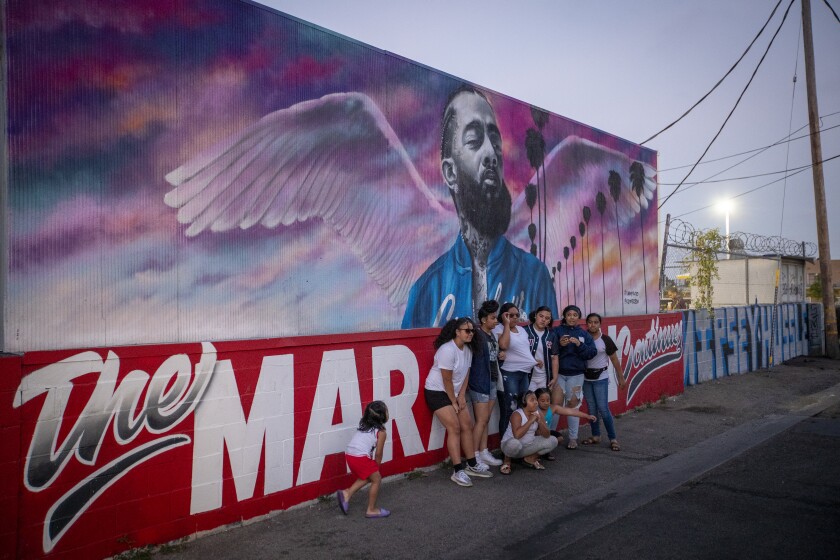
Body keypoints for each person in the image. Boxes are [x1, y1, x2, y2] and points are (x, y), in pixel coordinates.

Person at [402, 86, 557, 328]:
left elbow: (548, 347)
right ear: (450, 172)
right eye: (474, 141)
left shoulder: (534, 276)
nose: (491, 153)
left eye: (495, 141)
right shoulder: (426, 291)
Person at [424, 317, 493, 487]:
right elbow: (446, 379)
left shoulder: (468, 349)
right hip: (437, 391)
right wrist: (453, 401)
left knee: (467, 425)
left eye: (472, 331)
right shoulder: (447, 350)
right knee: (454, 427)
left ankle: (472, 464)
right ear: (457, 332)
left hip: (454, 392)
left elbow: (465, 374)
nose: (470, 334)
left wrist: (461, 396)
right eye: (466, 331)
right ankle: (457, 470)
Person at [499, 391, 596, 474]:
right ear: (524, 403)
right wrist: (530, 421)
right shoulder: (517, 414)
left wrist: (541, 422)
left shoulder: (538, 413)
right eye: (532, 400)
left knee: (553, 440)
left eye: (536, 400)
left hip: (526, 447)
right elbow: (517, 435)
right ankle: (507, 461)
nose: (536, 402)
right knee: (514, 443)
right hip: (510, 446)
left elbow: (546, 435)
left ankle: (530, 458)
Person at [551, 305, 597, 450]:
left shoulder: (583, 334)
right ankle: (551, 436)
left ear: (578, 317)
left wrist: (579, 345)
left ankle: (573, 438)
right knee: (555, 406)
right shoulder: (556, 331)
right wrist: (559, 344)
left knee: (573, 405)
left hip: (576, 375)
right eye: (569, 314)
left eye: (575, 315)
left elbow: (591, 353)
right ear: (564, 316)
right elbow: (548, 350)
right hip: (558, 375)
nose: (572, 317)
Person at [336, 401, 390, 518]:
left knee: (368, 476)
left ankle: (347, 494)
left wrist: (373, 470)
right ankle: (371, 510)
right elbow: (378, 454)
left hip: (350, 455)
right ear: (382, 416)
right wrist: (377, 467)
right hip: (359, 457)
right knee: (376, 479)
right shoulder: (381, 432)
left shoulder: (364, 427)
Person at [581, 313, 627, 451]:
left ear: (600, 324)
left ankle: (613, 438)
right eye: (590, 322)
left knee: (603, 409)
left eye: (596, 322)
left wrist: (621, 377)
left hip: (601, 377)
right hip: (585, 378)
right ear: (586, 324)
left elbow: (614, 359)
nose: (593, 325)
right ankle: (596, 436)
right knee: (591, 409)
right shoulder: (582, 338)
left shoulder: (605, 339)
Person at [493, 302, 537, 443]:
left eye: (517, 315)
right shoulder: (499, 328)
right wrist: (506, 324)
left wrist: (534, 361)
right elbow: (504, 345)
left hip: (524, 374)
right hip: (509, 373)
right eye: (510, 315)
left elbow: (524, 351)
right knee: (509, 410)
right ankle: (506, 446)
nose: (515, 318)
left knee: (522, 409)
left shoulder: (522, 330)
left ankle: (520, 443)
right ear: (503, 316)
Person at [469, 300, 504, 467]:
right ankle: (473, 456)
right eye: (493, 318)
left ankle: (483, 452)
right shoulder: (477, 335)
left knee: (486, 419)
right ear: (483, 319)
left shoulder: (491, 335)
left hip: (491, 380)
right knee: (481, 420)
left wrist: (499, 355)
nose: (496, 321)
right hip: (480, 382)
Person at [523, 306, 558, 391]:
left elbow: (554, 358)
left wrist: (555, 378)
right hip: (526, 376)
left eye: (547, 318)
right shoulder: (524, 331)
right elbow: (519, 354)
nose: (543, 320)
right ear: (535, 316)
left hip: (544, 377)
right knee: (528, 402)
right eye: (541, 316)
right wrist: (533, 361)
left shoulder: (551, 335)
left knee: (543, 403)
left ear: (549, 321)